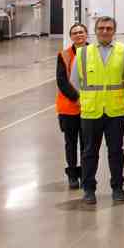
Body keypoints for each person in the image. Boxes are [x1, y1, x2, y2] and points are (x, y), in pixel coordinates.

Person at [71, 16, 124, 204]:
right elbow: (75, 82)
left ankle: (118, 188)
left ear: (114, 30)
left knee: (116, 151)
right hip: (91, 111)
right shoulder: (82, 53)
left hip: (116, 111)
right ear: (95, 30)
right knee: (89, 152)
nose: (105, 31)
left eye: (109, 28)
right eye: (101, 28)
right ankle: (88, 190)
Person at [56, 23, 88, 189]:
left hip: (90, 106)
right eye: (75, 33)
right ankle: (72, 174)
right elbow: (61, 81)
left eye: (81, 32)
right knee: (71, 142)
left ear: (87, 34)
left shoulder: (95, 52)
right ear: (71, 37)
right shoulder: (64, 55)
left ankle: (85, 173)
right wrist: (77, 98)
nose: (78, 35)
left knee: (86, 143)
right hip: (69, 107)